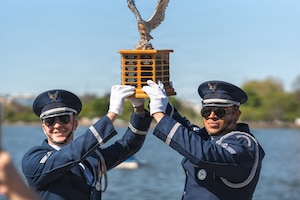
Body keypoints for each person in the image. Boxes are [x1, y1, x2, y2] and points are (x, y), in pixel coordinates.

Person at [21, 85, 152, 200]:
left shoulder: (92, 158)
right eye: (50, 121)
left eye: (64, 119)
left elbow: (128, 146)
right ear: (44, 128)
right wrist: (112, 114)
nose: (57, 125)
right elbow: (71, 155)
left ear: (75, 124)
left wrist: (139, 109)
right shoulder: (33, 159)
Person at [142, 80, 265, 200]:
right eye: (206, 111)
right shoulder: (206, 137)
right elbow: (186, 129)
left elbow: (205, 154)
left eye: (219, 112)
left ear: (236, 114)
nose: (212, 116)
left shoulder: (245, 145)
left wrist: (159, 114)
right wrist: (156, 101)